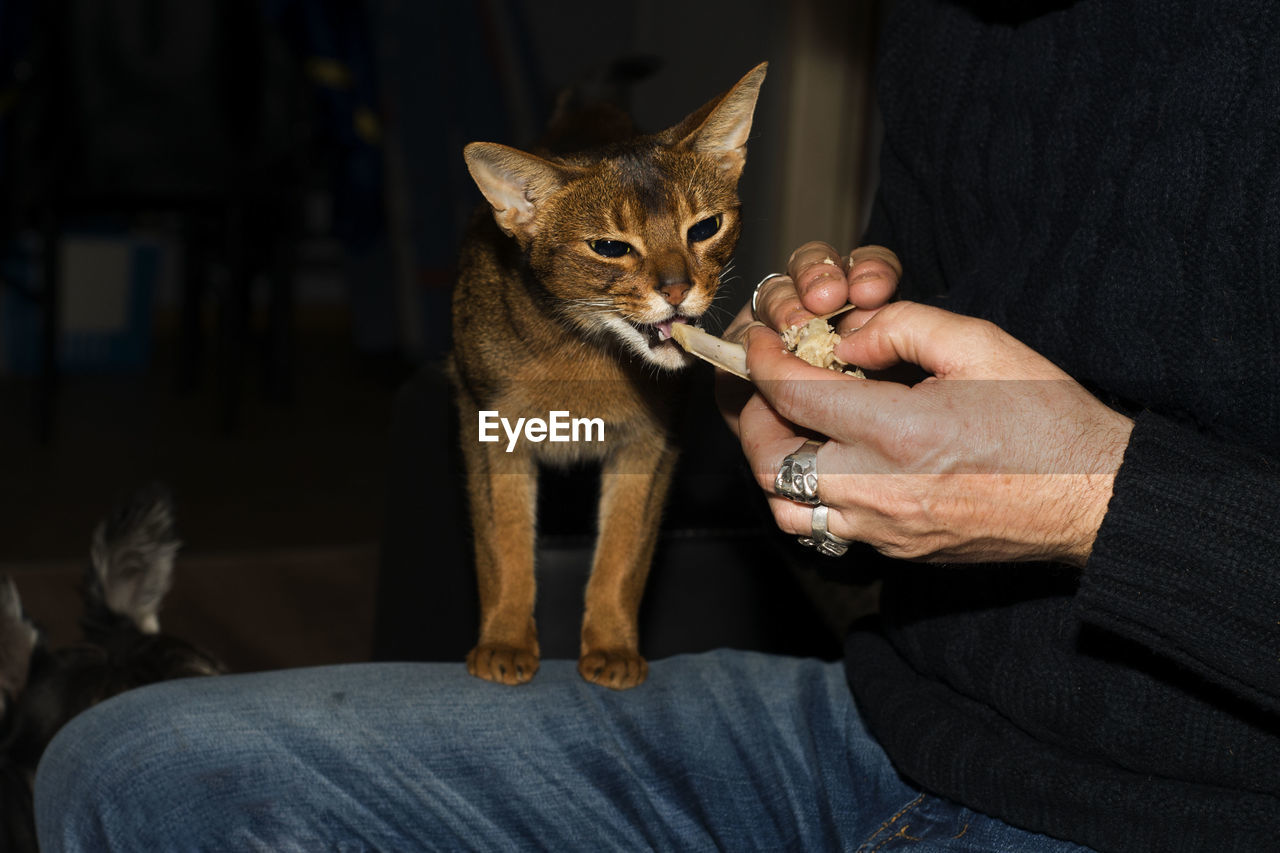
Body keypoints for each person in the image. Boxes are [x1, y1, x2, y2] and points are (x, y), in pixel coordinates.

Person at [35, 0, 1280, 850]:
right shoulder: (948, 30)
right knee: (128, 763)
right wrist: (846, 399)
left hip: (1194, 803)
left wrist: (1093, 500)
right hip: (904, 721)